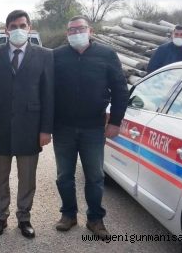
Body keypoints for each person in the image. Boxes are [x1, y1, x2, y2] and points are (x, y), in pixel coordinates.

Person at [0, 10, 54, 239]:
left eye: (22, 24)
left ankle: (24, 218)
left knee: (27, 177)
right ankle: (0, 217)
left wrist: (45, 129)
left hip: (30, 128)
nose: (18, 29)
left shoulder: (45, 55)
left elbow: (48, 94)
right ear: (6, 30)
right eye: (13, 25)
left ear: (30, 27)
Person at [52, 15, 129, 239]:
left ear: (90, 30)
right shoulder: (57, 56)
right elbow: (46, 90)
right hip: (63, 127)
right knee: (64, 175)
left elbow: (120, 90)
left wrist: (115, 121)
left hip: (94, 128)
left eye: (80, 29)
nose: (76, 33)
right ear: (67, 34)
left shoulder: (106, 55)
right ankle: (68, 214)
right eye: (71, 30)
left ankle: (95, 219)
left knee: (94, 176)